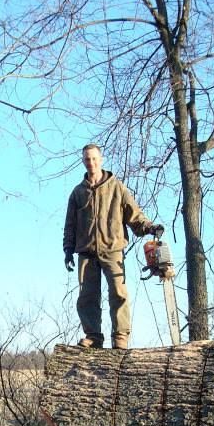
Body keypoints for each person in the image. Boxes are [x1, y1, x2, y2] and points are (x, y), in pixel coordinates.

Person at [63, 144, 160, 349]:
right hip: (86, 252)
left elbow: (134, 216)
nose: (91, 162)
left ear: (101, 159)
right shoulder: (77, 193)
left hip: (113, 249)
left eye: (94, 158)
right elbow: (69, 225)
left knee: (118, 292)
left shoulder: (117, 187)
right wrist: (67, 250)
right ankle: (93, 336)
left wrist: (150, 227)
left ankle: (120, 337)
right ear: (83, 161)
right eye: (87, 159)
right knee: (87, 296)